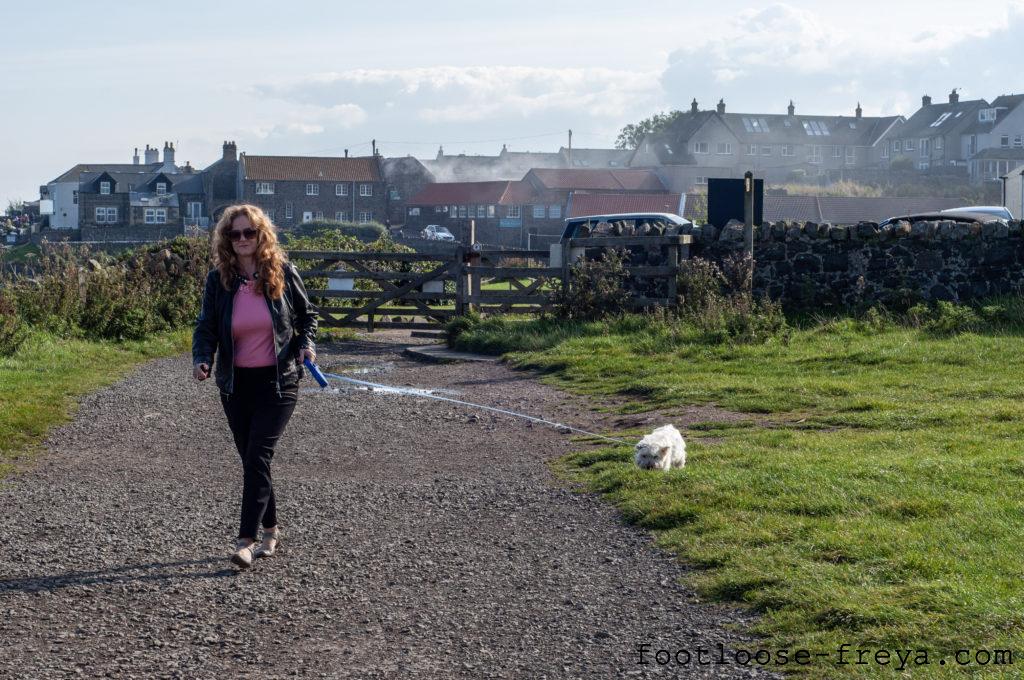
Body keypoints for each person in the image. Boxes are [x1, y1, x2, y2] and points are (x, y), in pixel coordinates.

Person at [192, 204, 318, 569]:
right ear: (227, 240)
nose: (243, 239)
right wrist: (203, 358)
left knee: (257, 456)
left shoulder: (281, 272)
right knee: (252, 458)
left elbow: (307, 316)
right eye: (235, 234)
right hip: (235, 384)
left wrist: (306, 345)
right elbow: (206, 327)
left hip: (279, 382)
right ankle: (271, 530)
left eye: (249, 232)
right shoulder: (219, 281)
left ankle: (245, 540)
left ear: (261, 234)